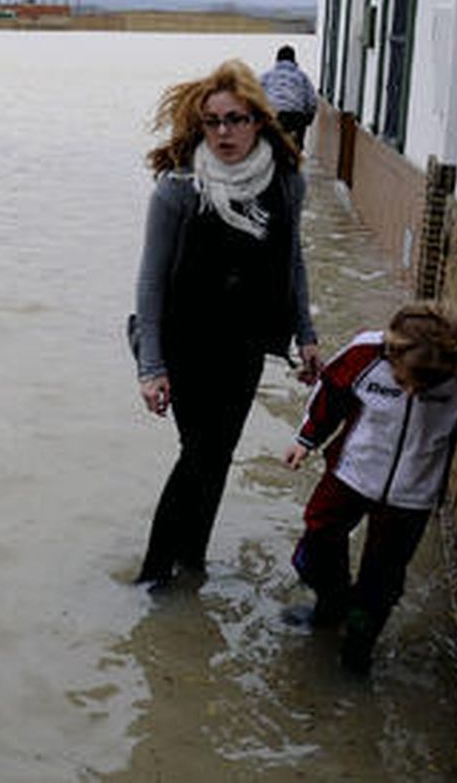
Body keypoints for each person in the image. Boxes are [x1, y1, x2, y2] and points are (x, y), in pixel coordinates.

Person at [132, 59, 323, 591]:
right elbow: (149, 284)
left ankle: (191, 562)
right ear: (200, 125)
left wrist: (305, 334)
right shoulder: (178, 189)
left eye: (235, 119)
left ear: (259, 120)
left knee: (217, 457)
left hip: (243, 344)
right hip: (183, 342)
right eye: (212, 122)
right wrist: (151, 367)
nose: (223, 133)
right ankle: (153, 578)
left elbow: (292, 262)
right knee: (199, 453)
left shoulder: (286, 184)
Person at [284, 302, 457, 673]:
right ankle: (331, 602)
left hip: (412, 493)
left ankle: (358, 647)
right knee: (318, 539)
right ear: (392, 356)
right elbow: (330, 394)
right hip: (351, 473)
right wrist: (306, 440)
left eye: (423, 388)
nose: (411, 393)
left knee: (382, 579)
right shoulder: (365, 354)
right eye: (404, 382)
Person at [259, 45, 318, 151]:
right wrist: (309, 117)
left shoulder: (267, 76)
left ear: (277, 60)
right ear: (294, 60)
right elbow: (312, 101)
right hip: (295, 116)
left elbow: (256, 93)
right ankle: (297, 152)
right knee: (297, 144)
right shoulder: (302, 76)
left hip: (273, 114)